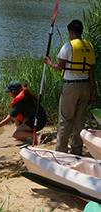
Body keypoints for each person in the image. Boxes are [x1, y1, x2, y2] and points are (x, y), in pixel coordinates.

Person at [43, 19, 95, 155]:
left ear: (71, 32)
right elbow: (91, 74)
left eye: (69, 33)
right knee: (80, 121)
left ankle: (61, 152)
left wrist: (49, 62)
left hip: (71, 87)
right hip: (85, 87)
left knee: (65, 121)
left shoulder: (68, 46)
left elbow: (59, 67)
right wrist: (91, 93)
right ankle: (76, 151)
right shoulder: (90, 47)